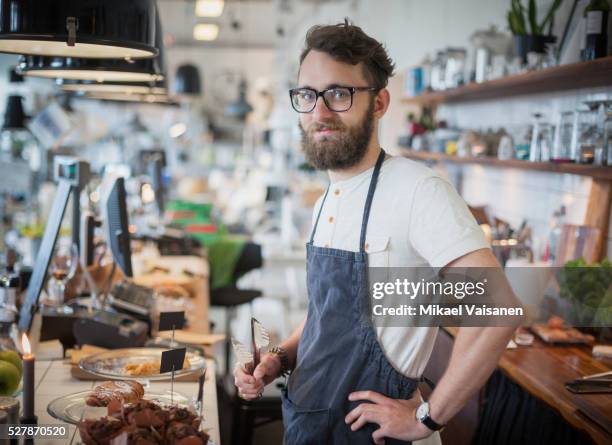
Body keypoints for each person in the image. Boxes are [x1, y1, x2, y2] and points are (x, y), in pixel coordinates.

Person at [235, 19, 518, 445]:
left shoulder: (418, 190)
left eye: (339, 93)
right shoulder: (327, 198)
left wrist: (427, 418)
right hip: (310, 425)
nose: (320, 111)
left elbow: (498, 311)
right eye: (308, 95)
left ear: (380, 102)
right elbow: (325, 315)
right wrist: (278, 358)